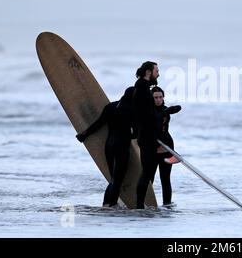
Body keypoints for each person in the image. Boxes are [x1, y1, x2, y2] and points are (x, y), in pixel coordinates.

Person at [76, 87, 136, 207]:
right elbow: (135, 133)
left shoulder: (110, 106)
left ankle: (106, 204)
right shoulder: (132, 110)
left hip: (109, 146)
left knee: (112, 178)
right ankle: (112, 205)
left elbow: (98, 123)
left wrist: (84, 135)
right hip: (122, 146)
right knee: (118, 180)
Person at [133, 61, 160, 209]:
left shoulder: (143, 88)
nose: (158, 73)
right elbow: (145, 116)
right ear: (148, 72)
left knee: (148, 172)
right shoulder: (143, 90)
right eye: (156, 70)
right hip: (147, 137)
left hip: (146, 136)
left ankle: (141, 204)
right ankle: (139, 206)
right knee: (147, 172)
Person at [152, 86, 181, 205]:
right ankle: (147, 204)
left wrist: (171, 109)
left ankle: (167, 205)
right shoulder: (149, 111)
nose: (158, 100)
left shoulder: (165, 109)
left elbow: (179, 107)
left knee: (165, 178)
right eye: (155, 97)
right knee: (150, 179)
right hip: (153, 147)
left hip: (167, 146)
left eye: (160, 97)